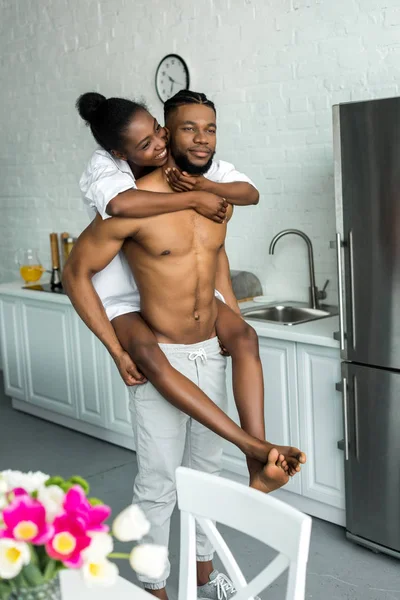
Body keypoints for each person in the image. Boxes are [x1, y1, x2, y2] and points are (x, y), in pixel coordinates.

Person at [64, 91, 305, 599]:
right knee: (158, 486)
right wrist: (117, 348)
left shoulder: (217, 198)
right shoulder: (131, 206)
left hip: (209, 350)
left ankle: (202, 580)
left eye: (209, 129)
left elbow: (214, 259)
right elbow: (75, 274)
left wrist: (233, 326)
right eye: (180, 130)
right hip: (162, 353)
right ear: (163, 136)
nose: (199, 138)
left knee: (206, 477)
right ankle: (155, 589)